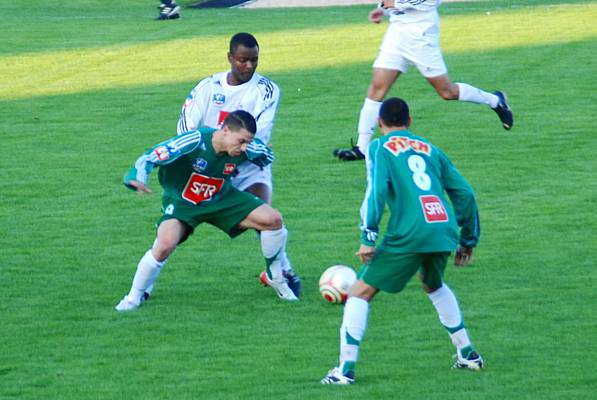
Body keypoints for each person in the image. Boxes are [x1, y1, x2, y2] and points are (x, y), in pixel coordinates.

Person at [322, 98, 483, 384]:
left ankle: (344, 371)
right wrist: (468, 239)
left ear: (379, 123)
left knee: (359, 292)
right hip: (441, 228)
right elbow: (466, 193)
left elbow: (377, 192)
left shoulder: (379, 147)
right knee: (432, 284)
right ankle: (467, 354)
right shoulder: (431, 149)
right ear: (409, 122)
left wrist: (367, 237)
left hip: (410, 232)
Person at [115, 111, 298, 312]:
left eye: (248, 142)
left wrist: (258, 152)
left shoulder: (245, 147)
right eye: (241, 141)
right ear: (225, 130)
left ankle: (276, 277)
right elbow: (151, 156)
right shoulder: (194, 140)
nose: (244, 146)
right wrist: (137, 176)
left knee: (273, 220)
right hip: (183, 201)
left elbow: (267, 155)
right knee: (165, 244)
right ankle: (133, 298)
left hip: (221, 198)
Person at [176, 32, 301, 295]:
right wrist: (202, 157)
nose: (249, 66)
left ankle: (282, 271)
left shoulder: (266, 90)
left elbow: (261, 135)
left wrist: (239, 151)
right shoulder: (208, 87)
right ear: (230, 57)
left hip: (248, 165)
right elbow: (186, 127)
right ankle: (142, 288)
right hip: (209, 169)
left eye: (254, 60)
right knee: (178, 231)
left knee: (263, 214)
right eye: (243, 60)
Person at [333, 0, 513, 161]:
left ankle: (496, 101)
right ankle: (362, 148)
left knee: (446, 92)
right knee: (377, 88)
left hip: (421, 33)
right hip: (397, 33)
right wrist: (383, 9)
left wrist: (396, 4)